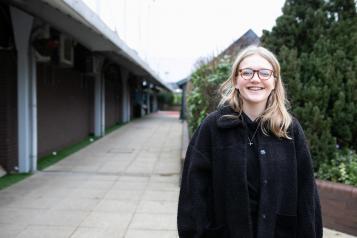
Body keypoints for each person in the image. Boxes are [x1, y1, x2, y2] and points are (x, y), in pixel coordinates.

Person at [177, 46, 322, 238]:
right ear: (236, 80)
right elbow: (193, 194)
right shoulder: (213, 127)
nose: (255, 79)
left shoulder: (290, 130)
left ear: (274, 81)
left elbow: (306, 195)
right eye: (247, 72)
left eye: (264, 73)